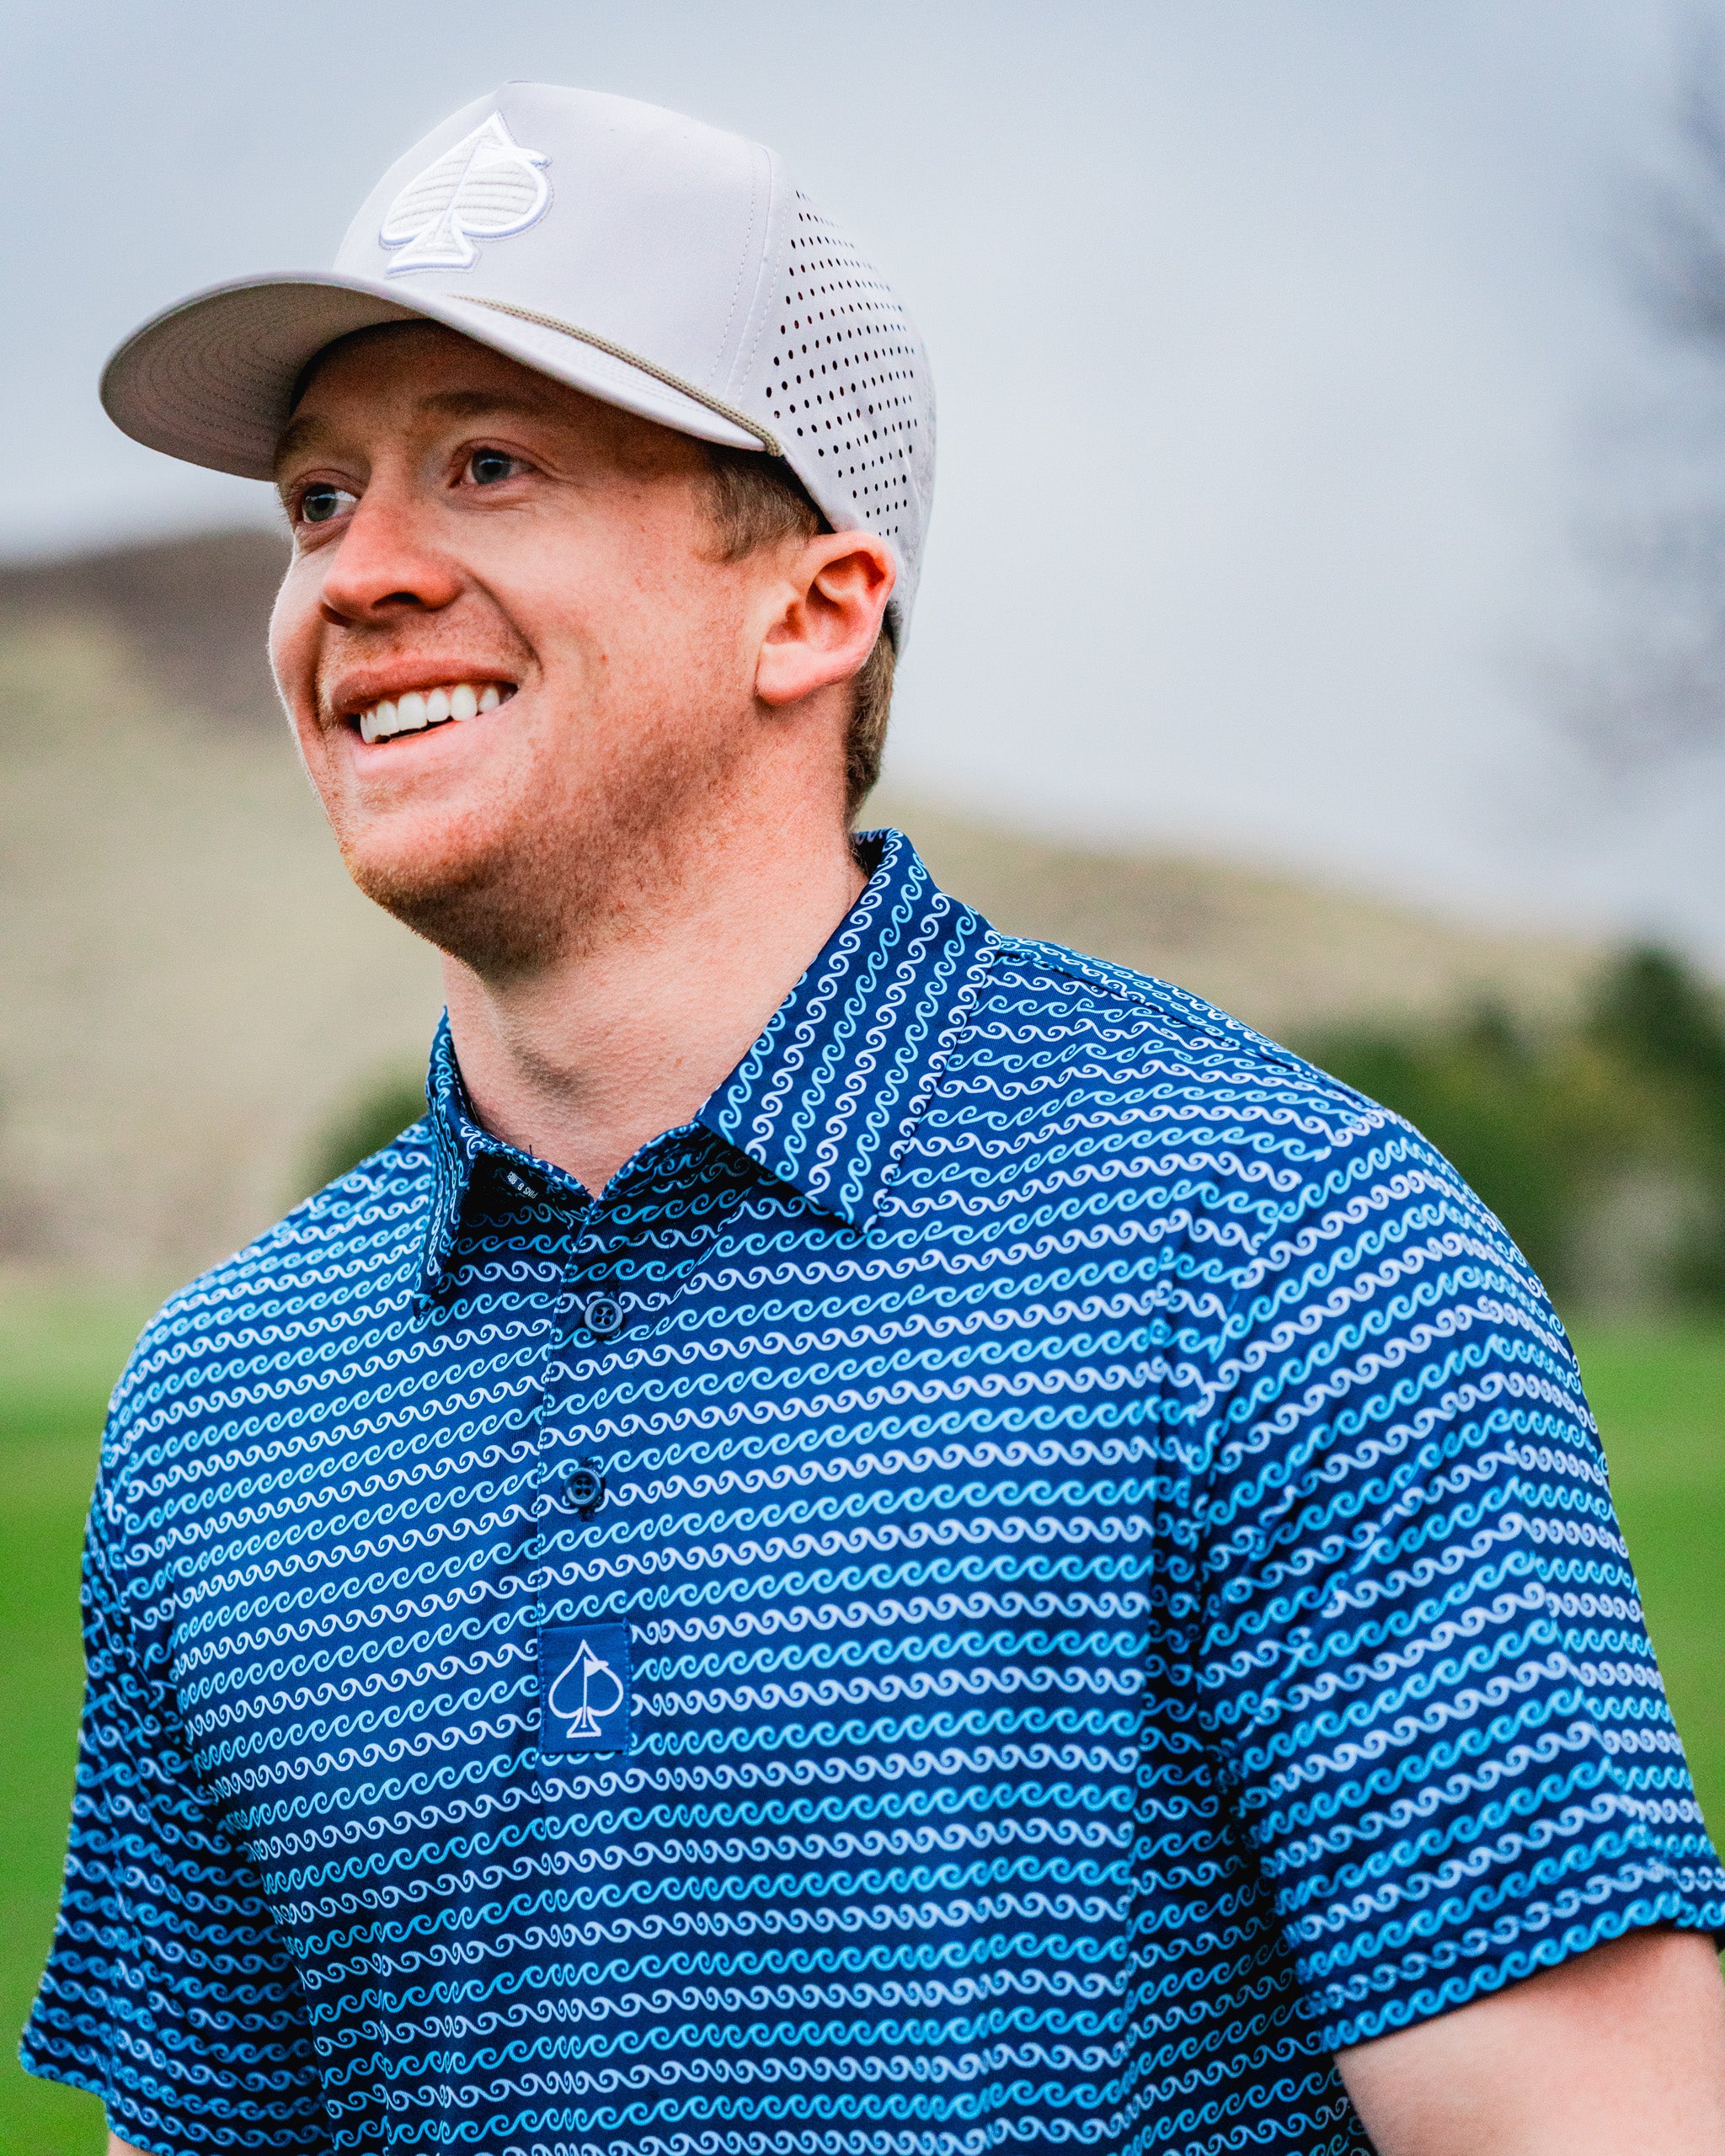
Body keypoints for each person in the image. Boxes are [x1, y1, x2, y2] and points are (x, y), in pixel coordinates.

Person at [20, 80, 1725, 2156]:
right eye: (312, 499)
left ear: (814, 605)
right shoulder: (218, 1413)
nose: (353, 574)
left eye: (486, 465)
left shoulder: (1278, 1257)